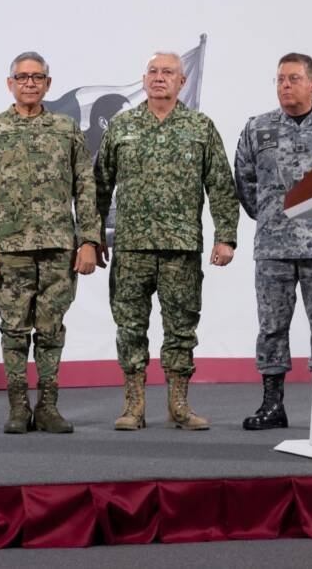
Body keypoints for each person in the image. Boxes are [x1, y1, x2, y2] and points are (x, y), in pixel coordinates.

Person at [94, 51, 239, 431]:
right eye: (153, 72)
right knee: (129, 329)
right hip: (131, 247)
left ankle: (179, 405)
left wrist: (225, 237)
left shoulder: (200, 127)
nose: (159, 77)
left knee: (181, 329)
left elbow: (221, 185)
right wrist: (93, 237)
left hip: (181, 248)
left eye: (168, 72)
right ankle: (134, 405)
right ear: (145, 79)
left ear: (181, 82)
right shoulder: (122, 126)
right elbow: (99, 186)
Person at [0, 52, 100, 434]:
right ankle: (18, 407)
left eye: (37, 77)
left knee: (52, 330)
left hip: (58, 248)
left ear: (48, 84)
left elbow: (85, 187)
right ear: (10, 84)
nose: (29, 83)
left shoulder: (66, 129)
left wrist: (89, 240)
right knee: (14, 330)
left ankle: (49, 407)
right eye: (22, 77)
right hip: (8, 250)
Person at [233, 53, 312, 431]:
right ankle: (272, 405)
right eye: (280, 79)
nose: (285, 86)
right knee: (271, 327)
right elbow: (245, 181)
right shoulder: (257, 128)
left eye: (293, 79)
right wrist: (272, 216)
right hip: (273, 247)